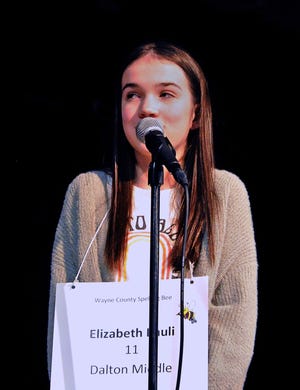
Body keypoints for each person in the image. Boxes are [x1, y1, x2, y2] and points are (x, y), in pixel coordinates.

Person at [47, 41, 258, 389]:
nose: (147, 108)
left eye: (166, 94)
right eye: (132, 95)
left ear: (196, 114)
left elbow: (232, 317)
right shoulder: (88, 193)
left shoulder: (224, 194)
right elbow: (63, 315)